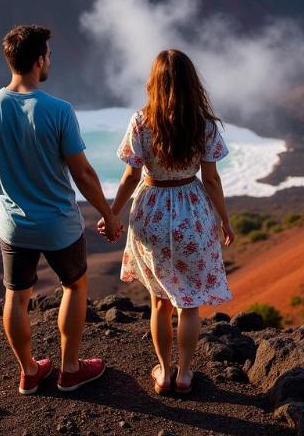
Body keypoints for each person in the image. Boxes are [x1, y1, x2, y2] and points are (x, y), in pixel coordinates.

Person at [0, 24, 123, 395]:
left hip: (13, 225)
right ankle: (70, 369)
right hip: (59, 225)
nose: (50, 60)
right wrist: (109, 212)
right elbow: (82, 172)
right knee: (75, 285)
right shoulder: (59, 110)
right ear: (39, 61)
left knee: (16, 296)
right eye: (49, 55)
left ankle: (28, 372)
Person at [99, 49, 234, 395]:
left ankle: (164, 371)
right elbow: (212, 180)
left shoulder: (141, 122)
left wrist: (112, 213)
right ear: (192, 83)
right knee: (188, 304)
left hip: (151, 211)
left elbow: (130, 176)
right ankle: (186, 374)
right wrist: (224, 220)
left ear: (154, 83)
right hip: (192, 211)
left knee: (159, 302)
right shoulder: (203, 125)